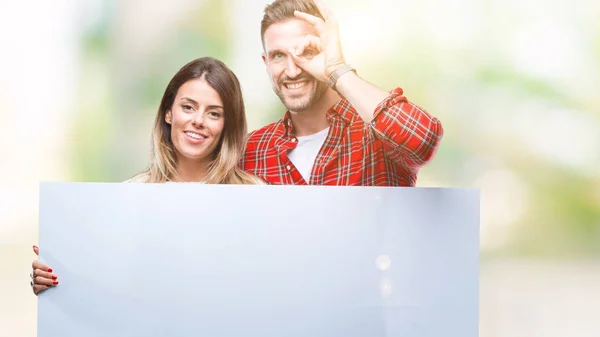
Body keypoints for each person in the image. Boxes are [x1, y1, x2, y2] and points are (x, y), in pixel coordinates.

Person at [30, 56, 264, 295]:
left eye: (214, 114)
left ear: (228, 125)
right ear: (168, 114)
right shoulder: (130, 194)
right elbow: (109, 284)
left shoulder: (255, 197)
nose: (198, 121)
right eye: (188, 107)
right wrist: (56, 281)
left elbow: (262, 284)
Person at [241, 0, 444, 186]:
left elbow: (423, 141)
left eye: (307, 52)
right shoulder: (250, 151)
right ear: (266, 63)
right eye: (278, 56)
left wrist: (336, 70)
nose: (292, 71)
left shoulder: (377, 136)